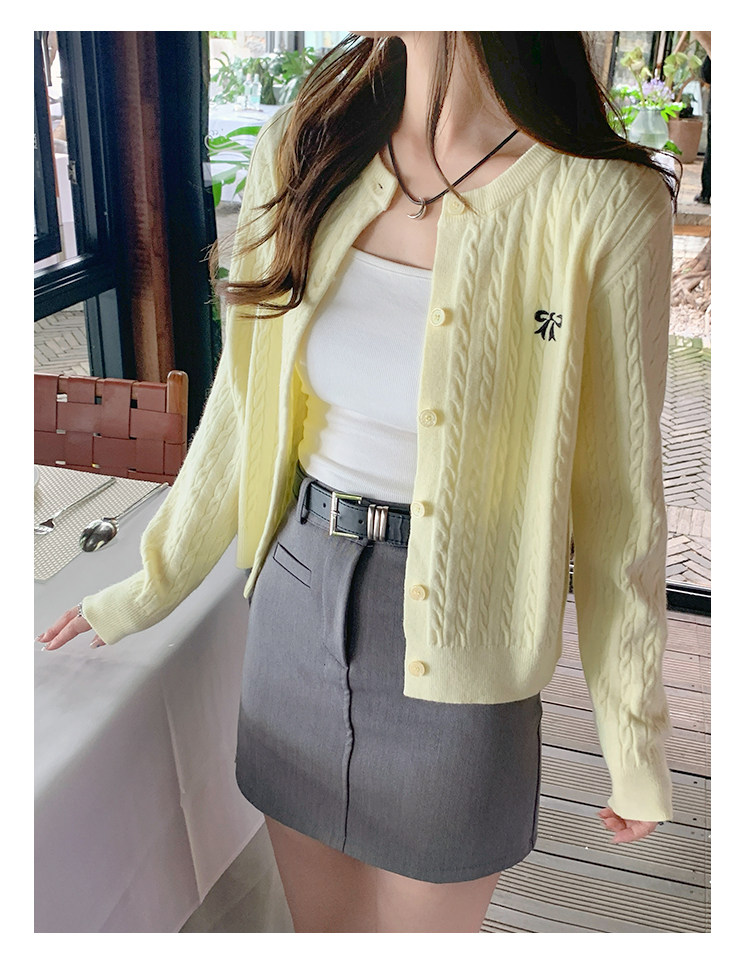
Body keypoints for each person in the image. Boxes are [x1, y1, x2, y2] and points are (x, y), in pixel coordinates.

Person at [38, 32, 679, 933]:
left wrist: (633, 734)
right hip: (296, 604)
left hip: (469, 641)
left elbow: (619, 503)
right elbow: (241, 407)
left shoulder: (606, 202)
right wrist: (147, 585)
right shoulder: (304, 146)